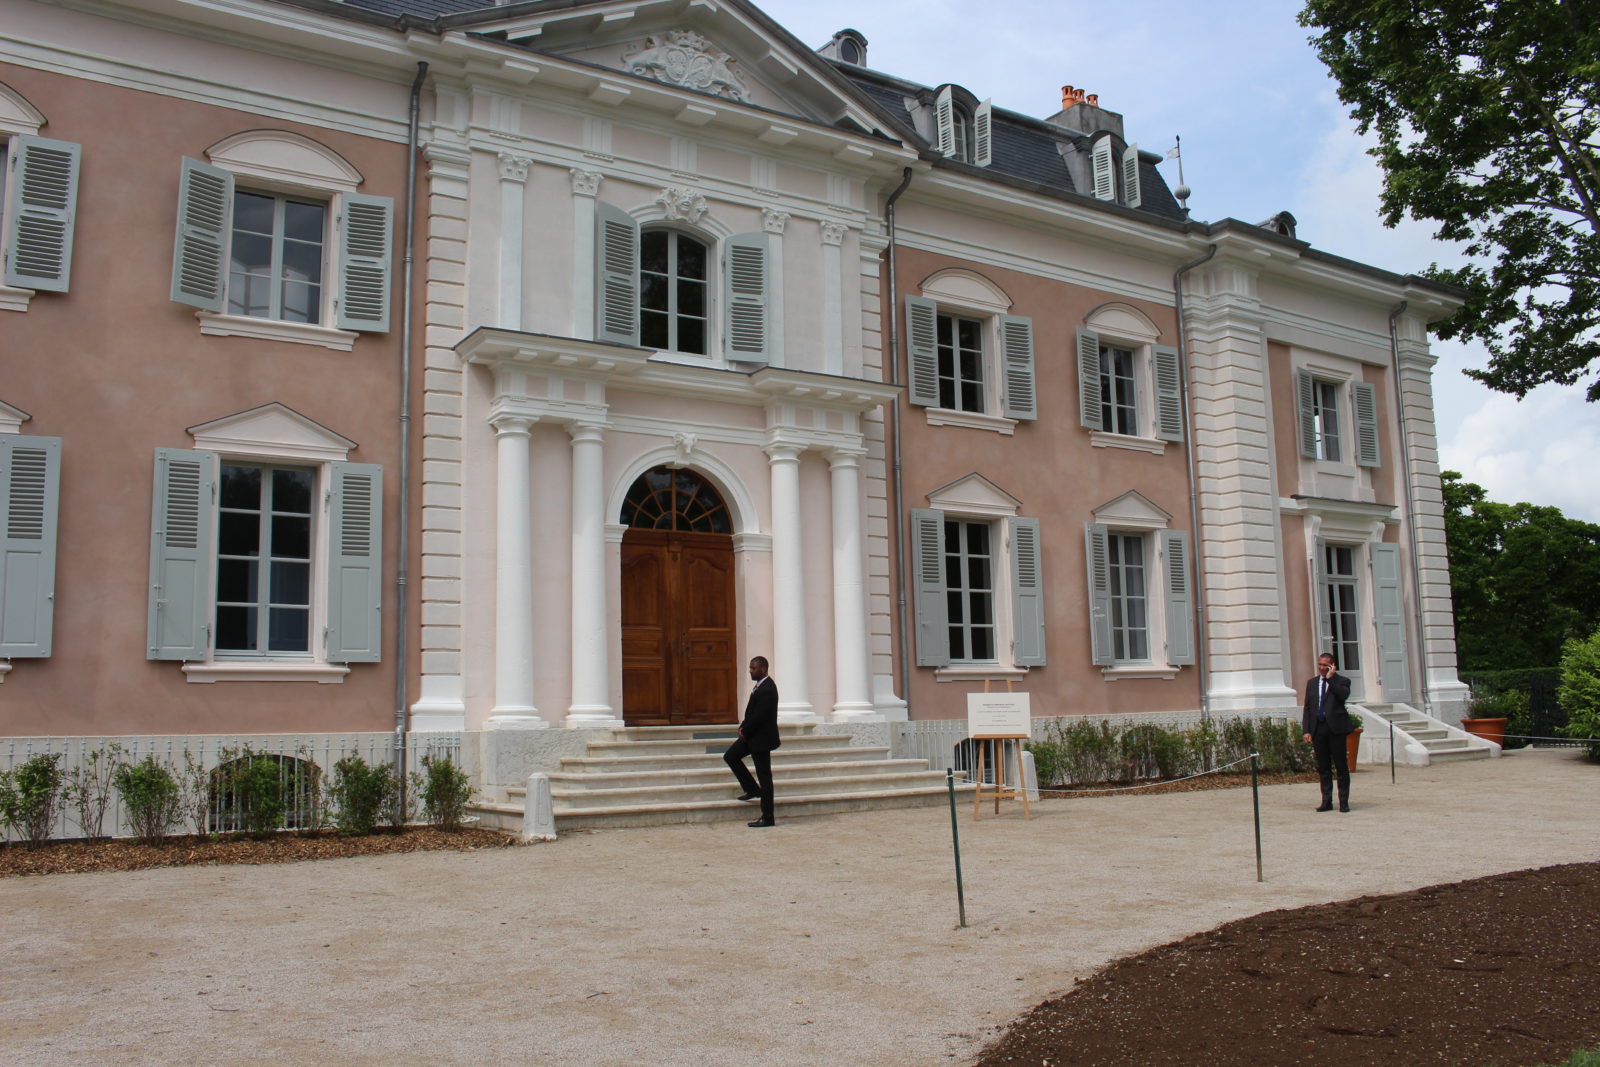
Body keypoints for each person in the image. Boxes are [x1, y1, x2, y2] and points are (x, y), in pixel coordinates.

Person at [724, 656, 780, 828]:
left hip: (761, 739)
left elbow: (759, 716)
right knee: (731, 756)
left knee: (765, 777)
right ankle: (752, 789)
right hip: (751, 736)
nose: (750, 671)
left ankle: (768, 817)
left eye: (753, 668)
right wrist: (743, 727)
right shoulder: (760, 686)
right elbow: (752, 713)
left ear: (763, 669)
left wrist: (745, 730)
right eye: (750, 668)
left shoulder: (767, 689)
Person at [1302, 651, 1354, 812]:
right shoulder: (1312, 683)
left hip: (1336, 729)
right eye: (1320, 664)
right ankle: (1326, 801)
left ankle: (1343, 802)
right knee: (1323, 767)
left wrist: (1331, 679)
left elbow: (1342, 696)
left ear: (1332, 666)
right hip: (1319, 728)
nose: (1322, 668)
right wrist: (1307, 730)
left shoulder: (1342, 681)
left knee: (1341, 767)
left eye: (1325, 665)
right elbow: (1308, 707)